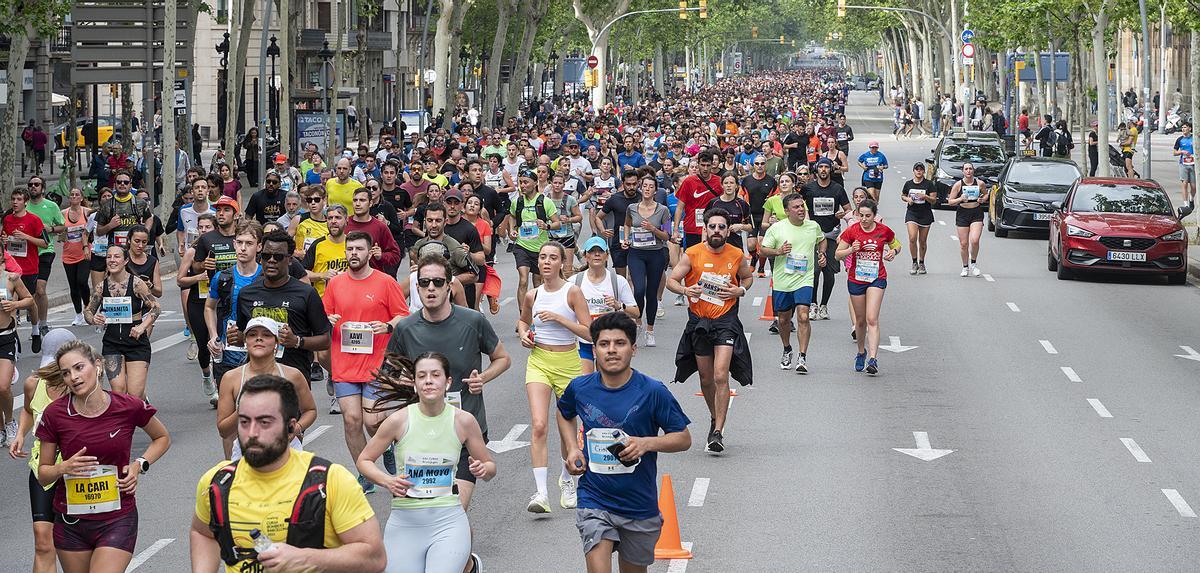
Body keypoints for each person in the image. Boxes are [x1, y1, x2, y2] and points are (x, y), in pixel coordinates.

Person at [191, 375, 386, 573]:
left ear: (291, 427)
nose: (252, 432)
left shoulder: (330, 481)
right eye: (244, 422)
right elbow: (202, 533)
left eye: (264, 422)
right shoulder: (217, 482)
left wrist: (305, 558)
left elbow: (375, 557)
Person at [557, 311, 691, 573]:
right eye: (604, 344)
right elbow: (564, 413)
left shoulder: (653, 391)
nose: (611, 350)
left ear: (634, 349)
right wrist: (573, 448)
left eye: (620, 343)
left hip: (639, 505)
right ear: (594, 350)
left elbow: (683, 438)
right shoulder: (580, 387)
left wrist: (646, 444)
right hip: (595, 498)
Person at [36, 340, 170, 573]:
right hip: (72, 521)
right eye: (66, 373)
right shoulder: (55, 414)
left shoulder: (128, 406)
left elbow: (162, 438)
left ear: (97, 365)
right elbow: (43, 475)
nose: (74, 377)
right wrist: (63, 468)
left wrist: (139, 465)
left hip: (117, 517)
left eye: (79, 368)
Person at [356, 352, 495, 573]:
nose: (428, 380)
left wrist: (482, 469)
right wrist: (387, 481)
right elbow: (364, 460)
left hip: (448, 520)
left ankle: (467, 564)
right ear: (414, 384)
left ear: (448, 382)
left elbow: (490, 467)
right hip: (404, 523)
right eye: (421, 376)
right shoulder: (398, 421)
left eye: (435, 374)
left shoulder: (464, 421)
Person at [324, 231, 409, 492]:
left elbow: (403, 317)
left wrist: (386, 326)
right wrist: (327, 320)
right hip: (344, 363)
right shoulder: (336, 284)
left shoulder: (385, 282)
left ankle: (388, 442)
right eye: (350, 249)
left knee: (372, 420)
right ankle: (365, 474)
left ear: (369, 252)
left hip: (376, 364)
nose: (353, 254)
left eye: (359, 249)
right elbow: (323, 315)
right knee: (351, 420)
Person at [666, 207, 754, 454]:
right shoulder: (692, 253)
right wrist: (685, 291)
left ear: (728, 230)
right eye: (712, 227)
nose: (717, 231)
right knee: (705, 378)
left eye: (721, 227)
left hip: (725, 320)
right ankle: (714, 417)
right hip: (699, 322)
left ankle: (718, 432)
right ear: (705, 229)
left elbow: (747, 278)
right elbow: (672, 280)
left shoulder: (736, 254)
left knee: (719, 374)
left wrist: (740, 291)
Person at [517, 241, 592, 514]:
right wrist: (524, 334)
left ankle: (566, 479)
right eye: (542, 258)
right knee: (538, 425)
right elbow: (523, 321)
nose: (546, 262)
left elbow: (589, 332)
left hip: (568, 363)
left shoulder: (572, 293)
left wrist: (560, 320)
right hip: (538, 362)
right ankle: (541, 493)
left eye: (552, 258)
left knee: (566, 427)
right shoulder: (533, 295)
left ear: (562, 263)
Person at [8, 329, 75, 573]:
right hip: (42, 468)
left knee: (74, 543)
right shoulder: (33, 383)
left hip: (75, 469)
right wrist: (19, 435)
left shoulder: (79, 385)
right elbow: (28, 410)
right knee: (43, 541)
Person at [229, 230, 332, 386]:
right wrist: (236, 338)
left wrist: (297, 341)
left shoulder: (306, 294)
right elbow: (243, 335)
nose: (271, 261)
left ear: (290, 260)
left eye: (278, 257)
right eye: (265, 256)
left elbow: (325, 340)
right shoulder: (247, 294)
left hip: (293, 378)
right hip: (257, 378)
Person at [215, 317, 317, 459]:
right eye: (252, 335)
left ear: (277, 342)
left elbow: (310, 410)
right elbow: (224, 430)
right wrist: (243, 409)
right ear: (245, 341)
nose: (259, 339)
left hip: (287, 450)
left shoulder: (293, 375)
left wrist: (296, 429)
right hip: (247, 452)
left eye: (266, 335)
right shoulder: (231, 378)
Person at [757, 193, 825, 373]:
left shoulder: (813, 226)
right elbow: (762, 250)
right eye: (796, 207)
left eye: (802, 206)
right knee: (784, 319)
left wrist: (821, 253)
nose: (801, 209)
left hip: (805, 278)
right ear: (787, 211)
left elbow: (822, 239)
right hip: (783, 280)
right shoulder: (777, 228)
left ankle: (802, 356)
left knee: (803, 315)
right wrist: (778, 251)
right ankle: (787, 348)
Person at [84, 244, 160, 398]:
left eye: (116, 256)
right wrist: (94, 319)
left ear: (125, 261)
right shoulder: (101, 287)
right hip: (112, 343)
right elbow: (88, 311)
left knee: (134, 394)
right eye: (109, 257)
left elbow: (156, 308)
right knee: (118, 391)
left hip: (136, 343)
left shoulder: (137, 284)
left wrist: (142, 327)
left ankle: (141, 400)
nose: (112, 260)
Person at [836, 199, 899, 375]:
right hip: (856, 278)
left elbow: (897, 245)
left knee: (872, 318)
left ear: (874, 215)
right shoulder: (852, 231)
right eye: (861, 215)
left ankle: (873, 359)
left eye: (868, 216)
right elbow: (837, 254)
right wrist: (850, 250)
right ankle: (861, 352)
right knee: (860, 321)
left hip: (876, 278)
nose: (864, 219)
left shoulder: (883, 230)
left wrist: (892, 252)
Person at [204, 221, 264, 393]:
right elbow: (209, 307)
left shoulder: (266, 277)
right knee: (229, 408)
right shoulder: (222, 277)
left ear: (259, 246)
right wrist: (214, 337)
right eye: (239, 242)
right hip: (228, 353)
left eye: (249, 243)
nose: (243, 248)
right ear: (234, 244)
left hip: (258, 353)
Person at [573, 237, 639, 374]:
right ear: (586, 256)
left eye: (600, 251)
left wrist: (619, 305)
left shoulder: (618, 281)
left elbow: (636, 312)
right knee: (586, 381)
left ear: (607, 256)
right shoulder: (575, 281)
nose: (596, 254)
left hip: (608, 342)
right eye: (592, 251)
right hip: (583, 342)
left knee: (607, 381)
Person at [621, 177, 669, 345]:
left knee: (651, 293)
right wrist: (626, 239)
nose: (647, 189)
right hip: (636, 253)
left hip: (655, 254)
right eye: (645, 186)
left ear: (656, 190)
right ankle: (638, 322)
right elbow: (627, 225)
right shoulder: (632, 208)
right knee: (639, 289)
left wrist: (653, 229)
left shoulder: (662, 210)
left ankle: (650, 329)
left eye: (651, 186)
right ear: (641, 189)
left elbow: (667, 235)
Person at [803, 158, 851, 321]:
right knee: (814, 271)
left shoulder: (838, 189)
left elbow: (849, 210)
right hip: (812, 236)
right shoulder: (808, 188)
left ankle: (824, 305)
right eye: (821, 167)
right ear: (816, 170)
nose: (823, 170)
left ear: (831, 170)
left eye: (826, 167)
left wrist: (842, 214)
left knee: (829, 272)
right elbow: (799, 207)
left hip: (831, 234)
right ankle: (813, 304)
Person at [178, 214, 219, 405]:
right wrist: (198, 277)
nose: (203, 231)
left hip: (218, 302)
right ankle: (206, 375)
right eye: (200, 227)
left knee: (219, 342)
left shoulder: (222, 248)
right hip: (198, 302)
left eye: (208, 227)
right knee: (204, 344)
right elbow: (180, 280)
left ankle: (221, 385)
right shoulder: (192, 252)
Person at [506, 168, 560, 303]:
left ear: (535, 183)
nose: (523, 186)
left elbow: (557, 224)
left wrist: (546, 226)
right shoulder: (517, 202)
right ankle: (522, 316)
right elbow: (512, 216)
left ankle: (538, 310)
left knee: (538, 282)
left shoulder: (545, 202)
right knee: (523, 279)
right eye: (521, 183)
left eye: (526, 182)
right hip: (522, 246)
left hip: (540, 248)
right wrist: (512, 230)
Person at [3, 188, 47, 353]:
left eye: (19, 199)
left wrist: (27, 237)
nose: (15, 202)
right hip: (10, 268)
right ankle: (13, 337)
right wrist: (5, 239)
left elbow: (45, 243)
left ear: (25, 202)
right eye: (13, 199)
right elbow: (4, 242)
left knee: (30, 303)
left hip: (28, 268)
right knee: (11, 303)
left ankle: (36, 331)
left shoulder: (34, 220)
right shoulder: (7, 219)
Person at [26, 176, 65, 341]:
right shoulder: (23, 206)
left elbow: (63, 226)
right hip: (26, 253)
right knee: (30, 292)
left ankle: (43, 323)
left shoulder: (51, 206)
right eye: (31, 185)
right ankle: (34, 324)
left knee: (40, 290)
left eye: (37, 184)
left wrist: (51, 228)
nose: (33, 187)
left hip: (45, 251)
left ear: (43, 188)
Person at [946, 162, 989, 277]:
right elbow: (950, 201)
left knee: (974, 240)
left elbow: (986, 195)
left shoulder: (980, 183)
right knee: (964, 244)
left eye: (970, 169)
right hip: (962, 214)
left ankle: (973, 264)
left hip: (976, 213)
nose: (968, 171)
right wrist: (960, 199)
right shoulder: (958, 185)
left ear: (973, 171)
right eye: (966, 169)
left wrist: (982, 200)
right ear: (963, 171)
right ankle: (965, 267)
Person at [674, 150, 722, 249]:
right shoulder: (688, 182)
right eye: (702, 165)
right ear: (698, 164)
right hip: (692, 228)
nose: (705, 169)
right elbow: (679, 208)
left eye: (708, 165)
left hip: (712, 228)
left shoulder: (719, 182)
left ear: (712, 165)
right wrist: (675, 230)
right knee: (692, 259)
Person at [61, 187, 92, 328]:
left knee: (82, 281)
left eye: (77, 194)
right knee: (73, 286)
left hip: (84, 253)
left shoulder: (87, 212)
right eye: (72, 194)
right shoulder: (63, 213)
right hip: (68, 254)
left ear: (81, 197)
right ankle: (78, 314)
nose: (74, 196)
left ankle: (87, 307)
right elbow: (57, 228)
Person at [302, 204, 349, 297]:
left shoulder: (353, 245)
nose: (333, 221)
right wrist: (322, 275)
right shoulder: (318, 244)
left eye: (338, 218)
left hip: (348, 299)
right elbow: (303, 274)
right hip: (322, 301)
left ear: (346, 220)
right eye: (330, 218)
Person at [900, 163, 937, 275]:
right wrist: (908, 199)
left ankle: (922, 262)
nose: (919, 172)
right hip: (912, 212)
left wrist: (925, 197)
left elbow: (934, 200)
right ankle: (914, 261)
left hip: (925, 213)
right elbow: (902, 195)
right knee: (912, 238)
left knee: (922, 241)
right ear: (914, 171)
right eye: (917, 170)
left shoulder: (929, 184)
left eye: (921, 170)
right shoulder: (908, 183)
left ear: (924, 172)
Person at [1173, 123, 1195, 205]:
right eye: (1182, 127)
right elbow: (1174, 152)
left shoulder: (1194, 138)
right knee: (1184, 183)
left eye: (1185, 127)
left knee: (1193, 186)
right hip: (1183, 163)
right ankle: (1185, 204)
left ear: (1190, 128)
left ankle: (1191, 199)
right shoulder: (1180, 139)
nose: (1183, 129)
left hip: (1193, 164)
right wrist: (1181, 151)